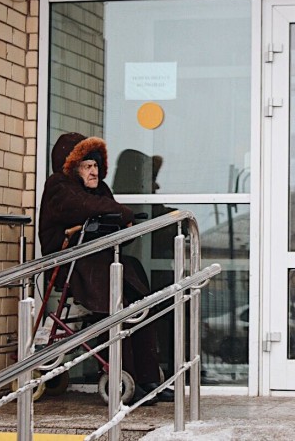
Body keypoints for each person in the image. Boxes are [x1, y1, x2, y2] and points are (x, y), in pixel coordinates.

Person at [38, 132, 173, 405]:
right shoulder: (58, 186)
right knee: (117, 305)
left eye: (96, 165)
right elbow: (86, 206)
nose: (94, 171)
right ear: (72, 167)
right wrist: (121, 214)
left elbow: (116, 219)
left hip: (99, 262)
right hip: (72, 266)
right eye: (87, 166)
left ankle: (148, 378)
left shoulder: (99, 190)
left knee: (140, 301)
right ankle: (125, 375)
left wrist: (123, 220)